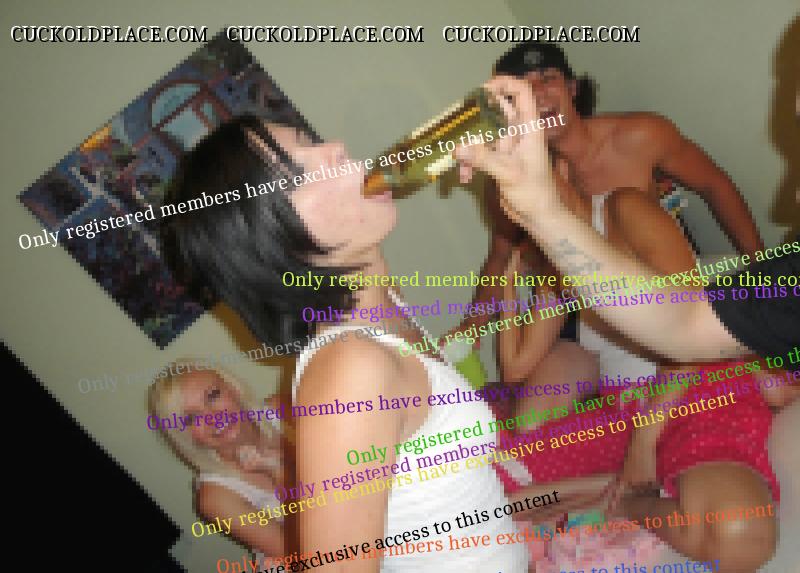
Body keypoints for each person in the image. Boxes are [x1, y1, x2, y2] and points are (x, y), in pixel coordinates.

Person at [456, 76, 797, 573]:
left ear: (561, 173)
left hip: (689, 392)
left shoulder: (624, 207)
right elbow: (516, 369)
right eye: (513, 213)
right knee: (480, 491)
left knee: (736, 533)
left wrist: (643, 443)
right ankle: (605, 484)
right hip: (626, 409)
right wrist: (509, 285)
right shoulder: (556, 264)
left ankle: (627, 494)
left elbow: (691, 327)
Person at [457, 79, 799, 365]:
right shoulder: (553, 249)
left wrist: (759, 265)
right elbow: (500, 261)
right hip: (641, 326)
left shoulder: (631, 166)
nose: (792, 195)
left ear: (572, 88)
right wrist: (476, 322)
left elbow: (714, 185)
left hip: (677, 304)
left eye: (546, 78)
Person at [148, 362, 287, 563]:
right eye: (191, 418)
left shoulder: (282, 410)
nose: (214, 418)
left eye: (213, 396)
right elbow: (300, 548)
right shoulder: (215, 496)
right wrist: (278, 471)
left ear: (234, 389)